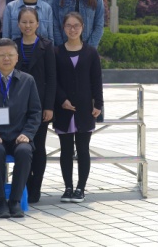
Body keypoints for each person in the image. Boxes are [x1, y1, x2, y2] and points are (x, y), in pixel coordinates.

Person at [0, 38, 43, 218]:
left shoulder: (27, 80)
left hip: (19, 135)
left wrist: (27, 134)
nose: (6, 59)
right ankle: (0, 201)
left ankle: (15, 200)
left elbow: (35, 112)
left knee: (24, 152)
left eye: (10, 55)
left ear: (17, 57)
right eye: (2, 55)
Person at [53, 12, 103, 204]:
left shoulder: (91, 52)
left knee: (83, 149)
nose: (72, 29)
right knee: (65, 150)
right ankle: (68, 187)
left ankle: (81, 188)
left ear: (82, 28)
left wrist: (98, 104)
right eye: (69, 26)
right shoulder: (57, 52)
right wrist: (62, 100)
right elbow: (54, 80)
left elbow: (96, 80)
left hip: (84, 108)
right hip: (63, 109)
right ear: (63, 28)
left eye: (76, 26)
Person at [14, 6, 58, 203]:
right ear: (18, 24)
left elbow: (52, 78)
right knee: (21, 145)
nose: (28, 25)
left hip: (39, 106)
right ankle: (23, 183)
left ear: (38, 24)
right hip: (17, 106)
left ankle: (35, 187)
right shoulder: (13, 45)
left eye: (31, 22)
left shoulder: (46, 46)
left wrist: (49, 106)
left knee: (38, 147)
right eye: (24, 22)